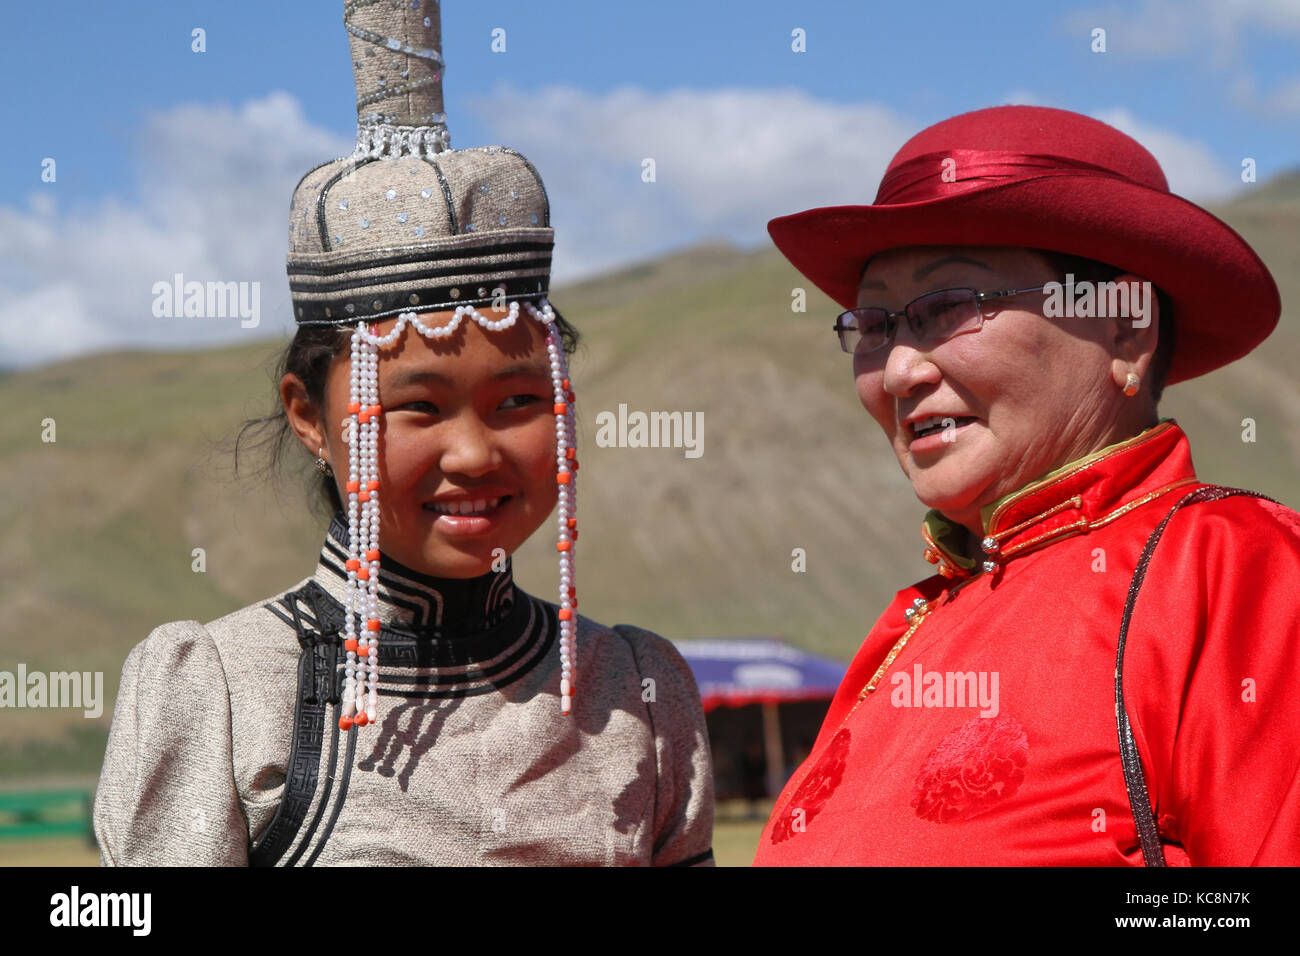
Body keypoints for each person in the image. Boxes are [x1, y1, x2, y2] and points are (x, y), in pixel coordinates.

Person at [92, 0, 714, 867]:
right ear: (309, 417)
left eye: (517, 401)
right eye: (418, 407)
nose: (474, 454)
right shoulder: (227, 689)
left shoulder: (636, 694)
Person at [752, 105, 1300, 866]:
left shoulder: (1237, 570)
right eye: (875, 326)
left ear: (1125, 329)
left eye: (948, 308)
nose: (903, 370)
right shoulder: (913, 623)